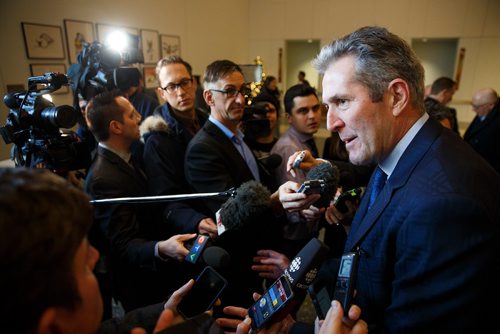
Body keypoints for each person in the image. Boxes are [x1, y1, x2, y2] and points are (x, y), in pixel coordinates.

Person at [278, 26, 500, 333]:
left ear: (396, 96)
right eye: (328, 106)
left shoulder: (445, 204)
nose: (330, 123)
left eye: (342, 102)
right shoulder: (400, 155)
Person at [85, 90, 194, 313]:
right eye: (132, 115)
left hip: (157, 273)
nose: (139, 119)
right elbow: (122, 244)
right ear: (116, 127)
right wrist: (161, 248)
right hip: (140, 283)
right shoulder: (102, 179)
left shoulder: (129, 155)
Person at [184, 59, 282, 309]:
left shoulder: (237, 135)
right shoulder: (203, 149)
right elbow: (228, 214)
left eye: (243, 91)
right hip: (233, 262)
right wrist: (278, 200)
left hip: (254, 254)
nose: (240, 99)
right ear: (208, 97)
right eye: (229, 91)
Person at [140, 56, 216, 239]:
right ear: (162, 93)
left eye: (184, 82)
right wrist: (195, 220)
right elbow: (165, 199)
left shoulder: (209, 122)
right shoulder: (157, 140)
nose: (180, 92)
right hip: (192, 228)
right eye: (171, 87)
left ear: (195, 83)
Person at [270, 84, 324, 257]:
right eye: (303, 111)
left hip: (305, 231)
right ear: (289, 117)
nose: (312, 116)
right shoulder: (288, 148)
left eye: (315, 108)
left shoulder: (305, 140)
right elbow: (297, 201)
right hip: (293, 237)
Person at [463, 88, 500, 173]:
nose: (473, 109)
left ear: (491, 105)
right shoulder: (484, 111)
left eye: (476, 107)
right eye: (472, 105)